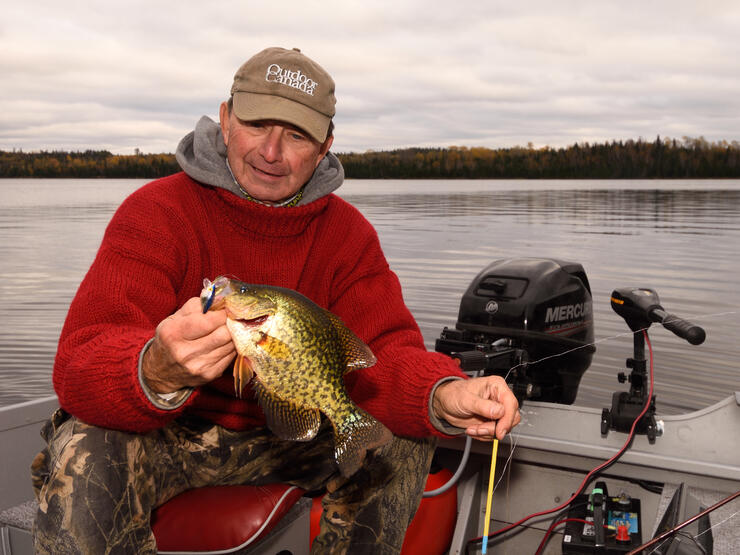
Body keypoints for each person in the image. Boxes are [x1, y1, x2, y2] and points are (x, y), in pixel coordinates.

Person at [31, 47, 520, 554]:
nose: (270, 151)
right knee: (86, 449)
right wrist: (154, 370)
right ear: (225, 119)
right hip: (171, 433)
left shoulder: (348, 237)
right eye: (258, 123)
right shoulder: (157, 212)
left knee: (398, 444)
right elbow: (79, 361)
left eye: (296, 135)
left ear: (326, 145)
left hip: (293, 433)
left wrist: (443, 392)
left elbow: (385, 357)